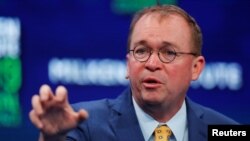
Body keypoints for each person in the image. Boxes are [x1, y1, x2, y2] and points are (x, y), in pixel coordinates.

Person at [29, 4, 238, 141]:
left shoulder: (228, 131)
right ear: (129, 64)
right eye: (141, 51)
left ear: (196, 68)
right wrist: (52, 138)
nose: (152, 63)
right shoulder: (82, 127)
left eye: (169, 52)